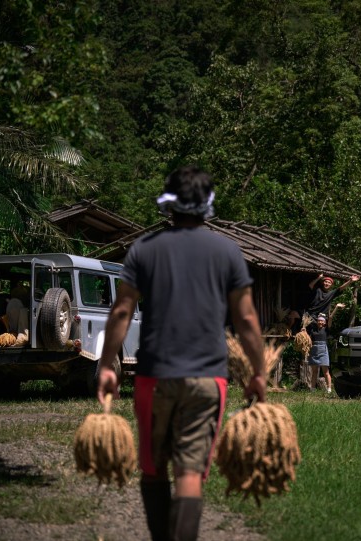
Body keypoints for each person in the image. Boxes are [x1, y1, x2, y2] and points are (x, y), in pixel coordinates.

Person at [96, 165, 267, 541]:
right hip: (207, 378)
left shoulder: (144, 249)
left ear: (168, 204)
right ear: (208, 205)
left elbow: (122, 311)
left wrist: (107, 365)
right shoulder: (227, 252)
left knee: (154, 468)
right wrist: (258, 371)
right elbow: (246, 317)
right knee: (189, 474)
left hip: (154, 376)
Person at [306, 313, 332, 393]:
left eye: (322, 321)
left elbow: (330, 318)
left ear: (324, 322)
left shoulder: (326, 329)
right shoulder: (312, 330)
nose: (320, 322)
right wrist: (303, 330)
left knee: (326, 372)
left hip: (323, 351)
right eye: (319, 321)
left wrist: (336, 308)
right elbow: (307, 337)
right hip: (314, 351)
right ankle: (312, 389)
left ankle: (329, 389)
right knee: (314, 372)